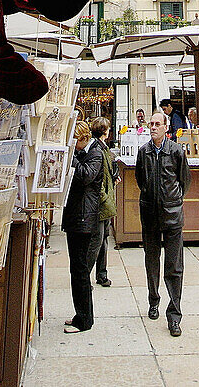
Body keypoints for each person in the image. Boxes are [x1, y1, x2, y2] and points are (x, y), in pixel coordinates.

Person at [135, 109, 191, 337]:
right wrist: (150, 196)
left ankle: (174, 314)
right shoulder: (143, 152)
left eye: (158, 124)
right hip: (150, 214)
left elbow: (184, 180)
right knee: (151, 260)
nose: (153, 127)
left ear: (166, 127)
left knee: (174, 266)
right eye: (151, 124)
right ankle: (153, 300)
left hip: (172, 214)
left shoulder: (176, 151)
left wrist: (173, 200)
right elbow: (141, 179)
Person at [61, 120, 104, 333]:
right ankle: (80, 314)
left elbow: (86, 176)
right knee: (76, 269)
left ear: (82, 139)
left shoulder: (95, 153)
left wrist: (71, 159)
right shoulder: (85, 153)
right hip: (76, 216)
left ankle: (85, 321)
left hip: (84, 218)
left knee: (81, 270)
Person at [87, 116, 118, 287]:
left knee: (103, 238)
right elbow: (98, 177)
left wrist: (114, 176)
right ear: (105, 131)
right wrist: (104, 197)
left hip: (105, 200)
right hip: (101, 202)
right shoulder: (97, 149)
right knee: (97, 240)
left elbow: (106, 172)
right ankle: (86, 275)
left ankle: (101, 274)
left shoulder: (102, 148)